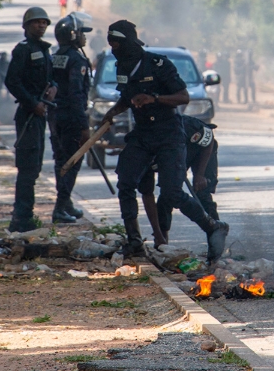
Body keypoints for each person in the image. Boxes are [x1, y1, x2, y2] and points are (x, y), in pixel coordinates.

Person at [97, 20, 229, 260]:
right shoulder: (122, 67)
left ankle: (213, 226)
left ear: (128, 42)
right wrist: (114, 111)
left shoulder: (158, 64)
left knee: (171, 193)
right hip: (142, 134)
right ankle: (135, 242)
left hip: (168, 133)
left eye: (117, 43)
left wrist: (153, 98)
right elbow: (127, 98)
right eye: (111, 43)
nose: (114, 47)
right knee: (126, 183)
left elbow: (183, 97)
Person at [4, 6, 58, 232]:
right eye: (37, 22)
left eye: (44, 22)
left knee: (34, 167)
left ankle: (26, 214)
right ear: (26, 26)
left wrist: (54, 88)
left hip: (39, 114)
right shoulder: (23, 50)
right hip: (28, 114)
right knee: (27, 168)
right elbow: (12, 81)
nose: (42, 25)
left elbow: (51, 79)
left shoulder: (45, 50)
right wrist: (32, 103)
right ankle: (21, 218)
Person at [51, 11, 93, 223]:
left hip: (54, 116)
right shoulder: (77, 60)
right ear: (73, 35)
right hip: (71, 118)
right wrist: (84, 126)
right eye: (82, 33)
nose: (85, 37)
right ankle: (60, 207)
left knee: (60, 161)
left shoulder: (54, 56)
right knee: (73, 161)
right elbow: (77, 94)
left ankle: (66, 204)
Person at [155, 114, 219, 245]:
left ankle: (216, 237)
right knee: (167, 193)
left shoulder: (187, 126)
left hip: (201, 151)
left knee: (202, 191)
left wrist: (200, 175)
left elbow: (208, 140)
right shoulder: (152, 137)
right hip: (177, 157)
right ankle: (162, 240)